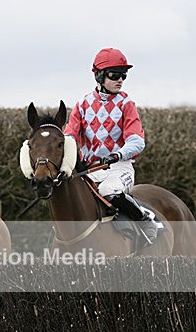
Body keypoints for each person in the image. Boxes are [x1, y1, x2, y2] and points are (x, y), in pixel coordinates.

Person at [64, 47, 158, 245]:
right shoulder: (82, 104)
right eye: (114, 74)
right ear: (99, 76)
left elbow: (137, 140)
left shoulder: (126, 104)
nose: (120, 80)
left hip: (118, 168)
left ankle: (144, 220)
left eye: (123, 75)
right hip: (90, 170)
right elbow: (70, 137)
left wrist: (117, 155)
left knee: (108, 190)